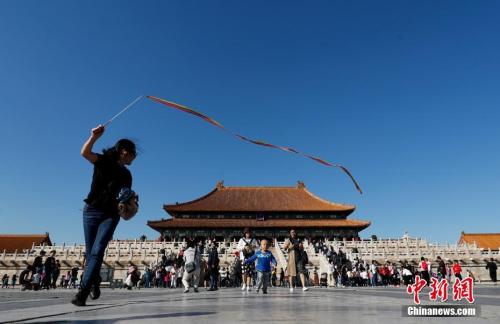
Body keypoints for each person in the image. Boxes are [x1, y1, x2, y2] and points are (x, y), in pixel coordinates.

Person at [72, 125, 137, 306]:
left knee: (98, 250)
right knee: (90, 252)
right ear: (124, 151)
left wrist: (130, 197)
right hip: (91, 210)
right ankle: (94, 280)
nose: (134, 158)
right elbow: (84, 153)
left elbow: (125, 195)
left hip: (110, 214)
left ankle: (82, 293)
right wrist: (93, 137)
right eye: (133, 154)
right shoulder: (103, 161)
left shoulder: (127, 174)